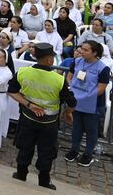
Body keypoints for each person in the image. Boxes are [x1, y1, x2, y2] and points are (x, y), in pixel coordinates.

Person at [8, 42, 76, 190]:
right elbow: (72, 101)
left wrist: (28, 104)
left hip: (27, 118)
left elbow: (12, 91)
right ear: (49, 60)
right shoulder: (58, 79)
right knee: (47, 151)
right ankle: (44, 181)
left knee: (25, 147)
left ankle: (21, 174)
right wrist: (68, 112)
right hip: (49, 123)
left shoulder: (23, 72)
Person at [64, 40, 111, 166]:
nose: (82, 52)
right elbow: (69, 77)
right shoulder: (77, 62)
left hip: (93, 103)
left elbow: (101, 89)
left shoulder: (103, 68)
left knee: (91, 129)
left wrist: (83, 96)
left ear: (95, 53)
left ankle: (88, 154)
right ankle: (74, 150)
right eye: (81, 49)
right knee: (76, 127)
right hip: (76, 100)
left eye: (86, 50)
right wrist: (71, 91)